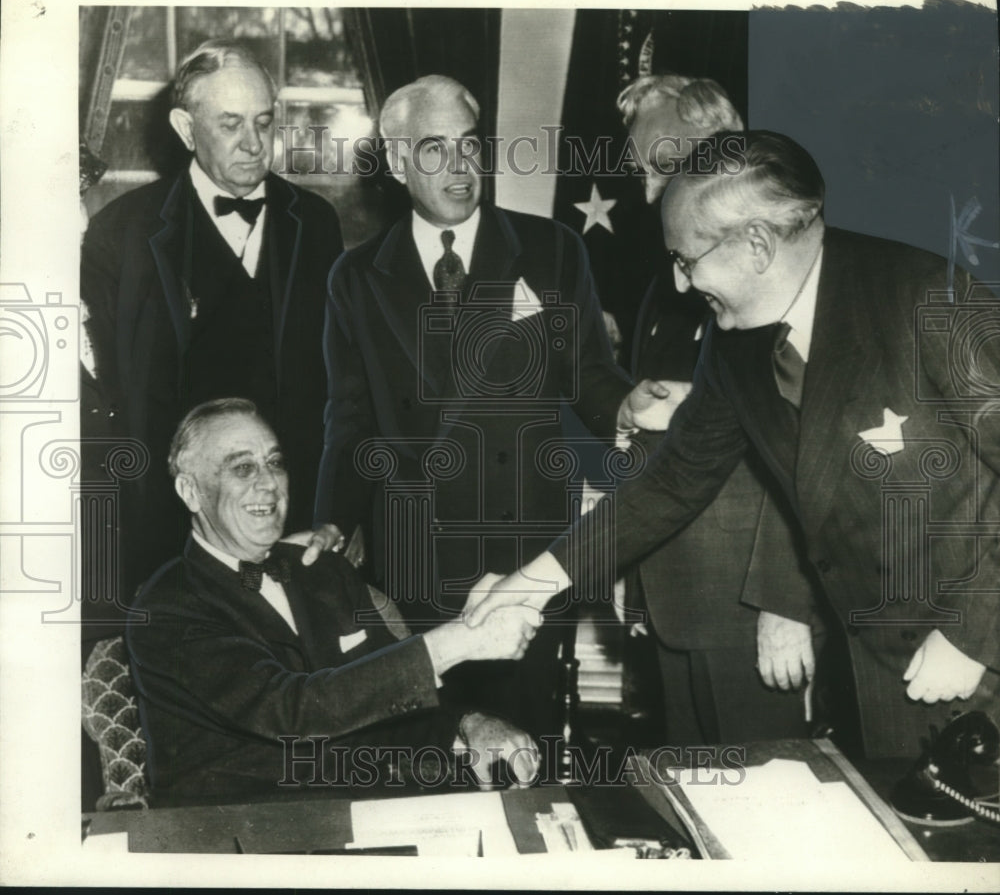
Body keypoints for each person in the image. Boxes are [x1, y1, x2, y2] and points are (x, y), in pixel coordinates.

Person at [468, 130, 1000, 759]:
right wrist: (531, 581)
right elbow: (673, 481)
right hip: (880, 665)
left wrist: (972, 632)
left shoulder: (927, 299)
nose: (681, 282)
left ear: (755, 245)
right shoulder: (737, 342)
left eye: (687, 259)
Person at [313, 75, 670, 737]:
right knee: (433, 740)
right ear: (395, 163)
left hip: (526, 549)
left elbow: (589, 372)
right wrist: (333, 521)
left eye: (468, 145)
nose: (458, 167)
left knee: (523, 742)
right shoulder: (357, 276)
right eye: (433, 150)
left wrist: (622, 400)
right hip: (417, 549)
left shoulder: (552, 248)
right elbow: (349, 417)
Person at [127, 398, 541, 807]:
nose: (269, 483)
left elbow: (385, 706)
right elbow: (292, 712)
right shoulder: (167, 605)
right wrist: (458, 642)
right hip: (239, 838)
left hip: (364, 815)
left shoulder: (322, 572)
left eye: (275, 462)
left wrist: (467, 724)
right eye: (243, 468)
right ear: (190, 490)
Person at [81, 39, 345, 645]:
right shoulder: (121, 233)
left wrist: (331, 514)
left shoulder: (318, 223)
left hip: (288, 520)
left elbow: (337, 389)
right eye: (230, 125)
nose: (253, 144)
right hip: (167, 534)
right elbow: (113, 404)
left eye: (263, 122)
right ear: (184, 127)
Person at [614, 75, 826, 744]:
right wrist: (637, 575)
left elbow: (805, 450)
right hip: (679, 594)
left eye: (667, 168)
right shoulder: (671, 281)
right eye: (644, 171)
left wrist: (785, 600)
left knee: (771, 802)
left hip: (752, 610)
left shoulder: (774, 278)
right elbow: (672, 450)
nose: (651, 192)